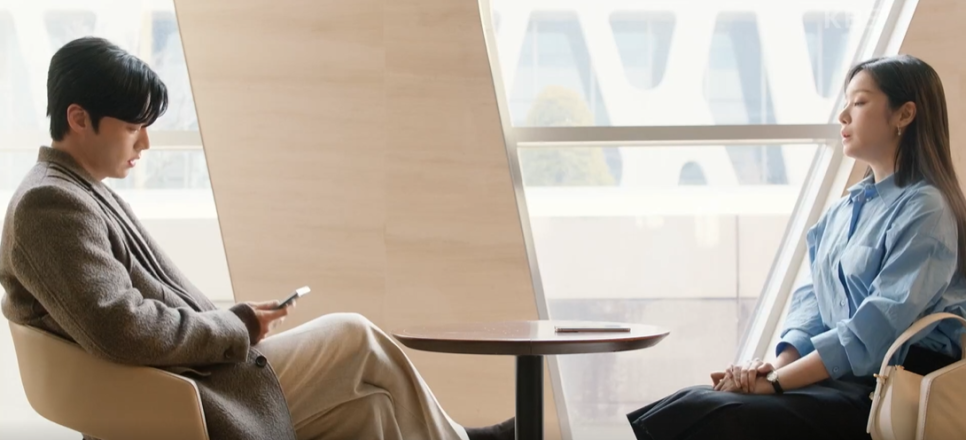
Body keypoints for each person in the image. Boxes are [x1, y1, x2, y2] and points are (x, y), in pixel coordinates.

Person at [0, 37, 514, 440]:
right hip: (181, 391)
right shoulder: (51, 204)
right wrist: (235, 327)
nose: (146, 143)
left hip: (186, 377)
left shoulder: (74, 191)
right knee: (354, 335)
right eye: (135, 127)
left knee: (372, 410)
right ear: (78, 118)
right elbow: (120, 327)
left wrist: (238, 321)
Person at [626, 54, 966, 440]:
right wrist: (772, 370)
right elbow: (812, 307)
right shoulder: (841, 212)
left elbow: (876, 326)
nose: (843, 116)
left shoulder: (927, 209)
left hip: (885, 393)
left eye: (858, 102)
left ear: (904, 114)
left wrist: (776, 383)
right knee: (693, 401)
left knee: (713, 414)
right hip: (833, 381)